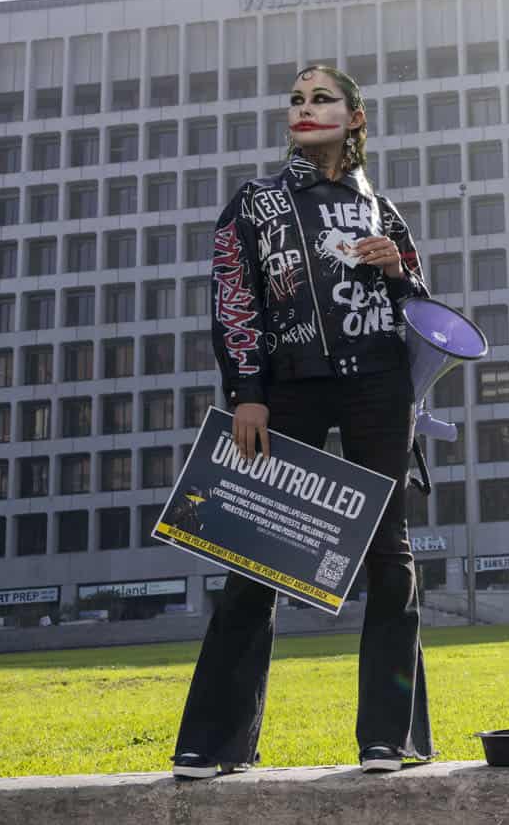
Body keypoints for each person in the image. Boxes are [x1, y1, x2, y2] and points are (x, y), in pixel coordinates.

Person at [171, 65, 432, 779]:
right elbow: (232, 296)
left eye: (322, 98)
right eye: (295, 99)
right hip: (288, 386)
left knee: (390, 554)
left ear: (355, 117)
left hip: (380, 384)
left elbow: (423, 307)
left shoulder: (382, 209)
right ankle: (216, 742)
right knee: (257, 551)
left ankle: (391, 735)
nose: (304, 108)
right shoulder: (254, 202)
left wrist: (399, 269)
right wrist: (245, 390)